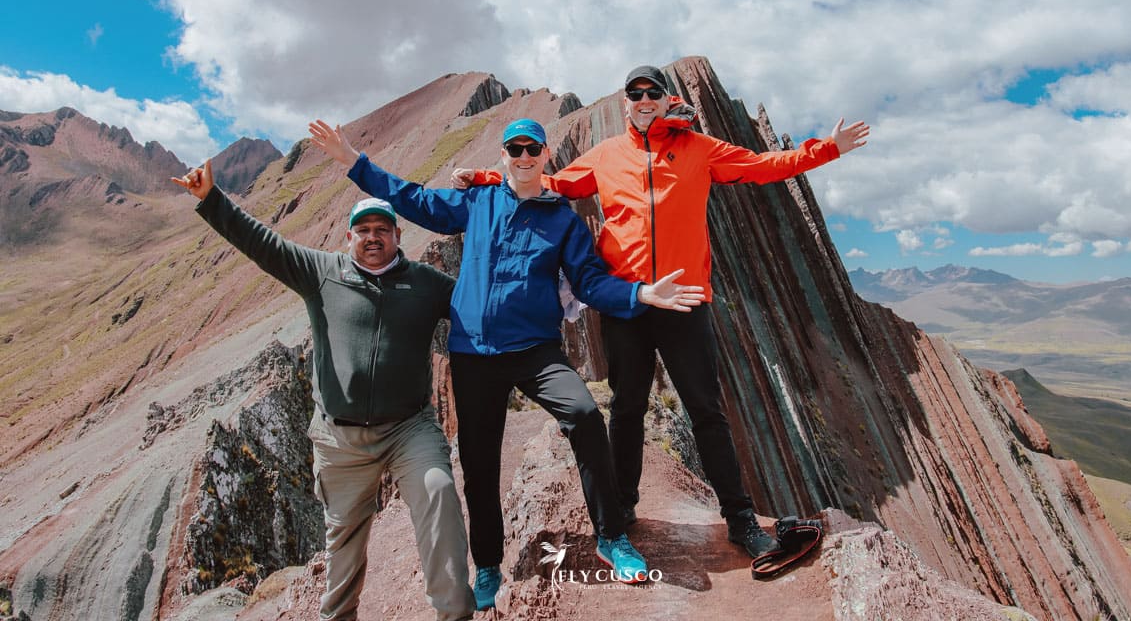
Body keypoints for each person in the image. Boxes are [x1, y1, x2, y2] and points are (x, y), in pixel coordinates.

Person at [453, 64, 870, 559]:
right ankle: (624, 508)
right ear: (625, 102)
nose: (644, 98)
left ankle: (739, 519)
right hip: (627, 304)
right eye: (635, 92)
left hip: (684, 301)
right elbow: (550, 183)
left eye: (653, 92)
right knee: (627, 409)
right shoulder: (607, 155)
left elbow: (762, 166)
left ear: (668, 100)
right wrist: (482, 177)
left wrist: (826, 149)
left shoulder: (700, 149)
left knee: (706, 412)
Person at [308, 117, 704, 610]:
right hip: (474, 353)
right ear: (503, 155)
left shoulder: (563, 219)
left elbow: (588, 281)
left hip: (536, 350)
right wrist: (352, 161)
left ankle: (612, 536)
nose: (523, 156)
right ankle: (489, 565)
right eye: (514, 148)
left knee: (583, 414)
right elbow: (412, 199)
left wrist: (641, 292)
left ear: (544, 156)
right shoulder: (479, 202)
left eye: (531, 148)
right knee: (479, 462)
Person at [172, 161, 474, 621]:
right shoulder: (320, 272)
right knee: (343, 543)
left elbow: (480, 306)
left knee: (439, 495)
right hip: (340, 440)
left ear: (397, 236)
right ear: (348, 238)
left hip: (410, 428)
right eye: (363, 230)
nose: (373, 237)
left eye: (382, 229)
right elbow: (262, 244)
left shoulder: (425, 283)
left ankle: (455, 613)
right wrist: (212, 199)